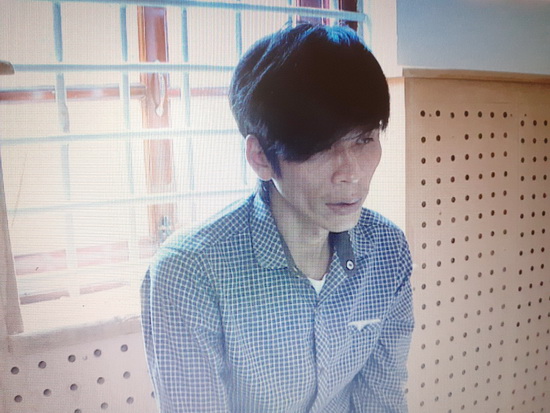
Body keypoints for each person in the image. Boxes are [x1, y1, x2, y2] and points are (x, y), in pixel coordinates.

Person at [141, 23, 414, 413]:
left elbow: (382, 401)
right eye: (321, 147)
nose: (351, 173)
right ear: (261, 157)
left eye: (364, 139)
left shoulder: (387, 250)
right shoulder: (189, 272)